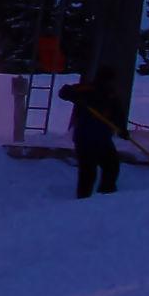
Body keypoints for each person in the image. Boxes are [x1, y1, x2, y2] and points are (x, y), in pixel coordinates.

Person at [59, 65, 128, 198]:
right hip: (85, 139)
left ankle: (105, 195)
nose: (109, 83)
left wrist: (122, 130)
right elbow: (64, 92)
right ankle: (83, 201)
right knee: (88, 172)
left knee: (112, 166)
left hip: (103, 140)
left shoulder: (111, 95)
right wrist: (73, 95)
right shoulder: (87, 89)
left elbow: (118, 115)